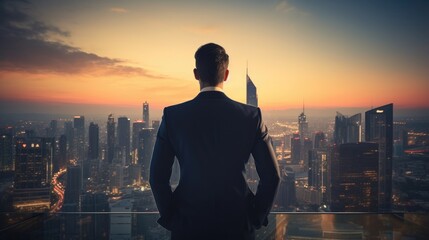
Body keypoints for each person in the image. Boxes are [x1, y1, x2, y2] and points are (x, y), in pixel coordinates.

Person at [149, 43, 280, 240]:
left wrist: (172, 218)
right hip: (239, 226)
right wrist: (255, 217)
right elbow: (272, 176)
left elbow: (157, 177)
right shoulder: (251, 116)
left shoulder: (173, 116)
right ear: (226, 74)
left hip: (188, 225)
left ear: (195, 73)